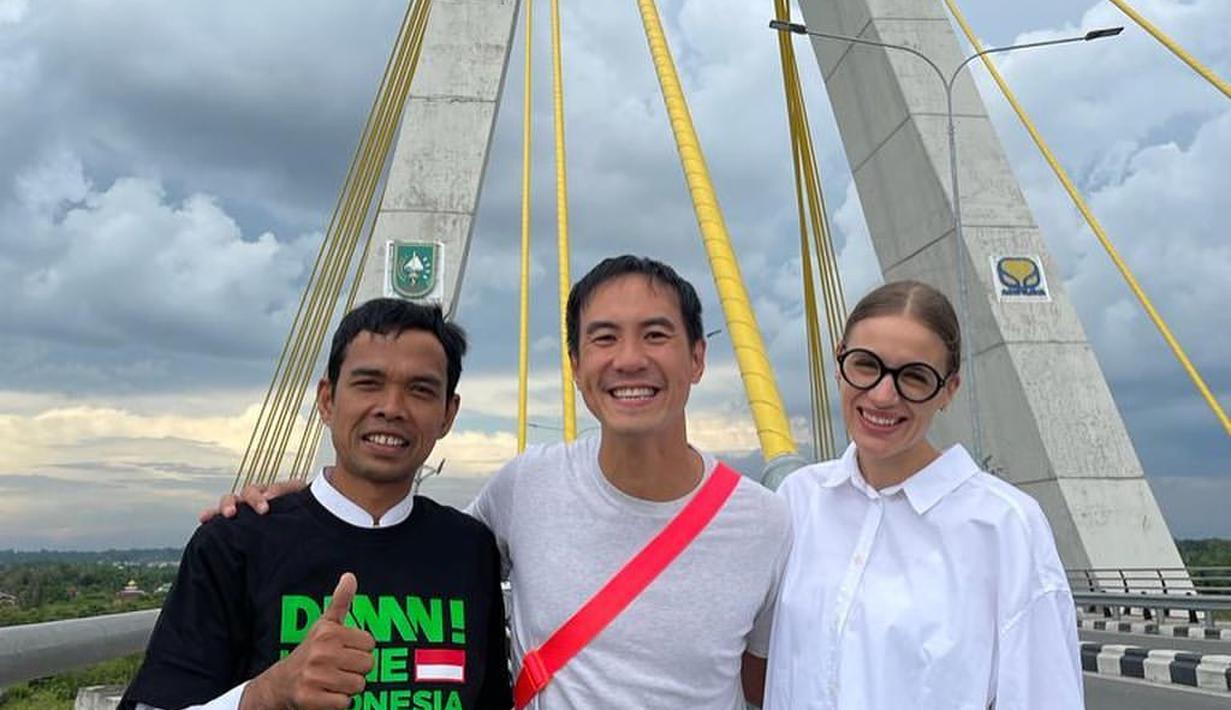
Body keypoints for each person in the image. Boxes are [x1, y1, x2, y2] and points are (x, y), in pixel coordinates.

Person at [213, 256, 791, 709]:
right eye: (605, 337)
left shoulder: (765, 522)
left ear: (697, 357)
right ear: (575, 364)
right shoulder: (526, 487)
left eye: (656, 335)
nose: (629, 359)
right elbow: (407, 548)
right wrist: (315, 499)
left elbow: (766, 685)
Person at [121, 299, 511, 710]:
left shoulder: (468, 549)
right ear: (327, 399)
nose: (392, 408)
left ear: (448, 414)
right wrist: (266, 693)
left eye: (420, 390)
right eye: (368, 383)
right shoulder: (236, 543)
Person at [756, 280, 1083, 709]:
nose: (883, 395)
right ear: (839, 362)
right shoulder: (799, 501)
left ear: (949, 389)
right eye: (866, 365)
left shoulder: (1003, 526)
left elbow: (1043, 697)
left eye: (915, 377)